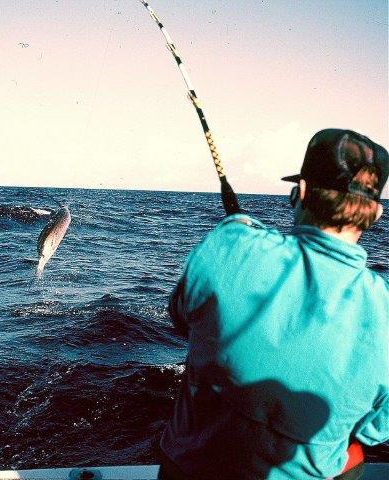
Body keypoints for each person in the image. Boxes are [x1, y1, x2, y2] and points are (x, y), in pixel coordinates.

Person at [158, 129, 389, 480]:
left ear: (303, 193)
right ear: (374, 213)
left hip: (190, 471)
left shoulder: (231, 245)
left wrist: (236, 235)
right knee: (354, 452)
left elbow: (179, 315)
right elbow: (376, 430)